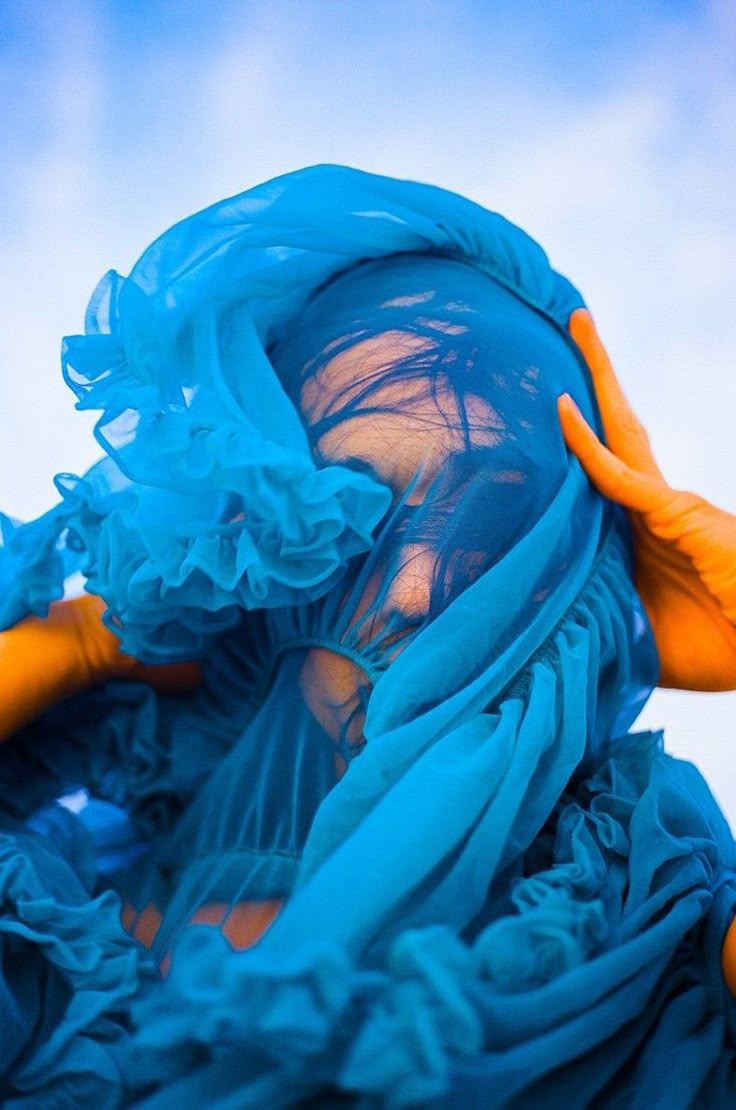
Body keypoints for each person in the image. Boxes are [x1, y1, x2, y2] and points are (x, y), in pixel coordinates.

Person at [0, 165, 735, 1107]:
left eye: (497, 523)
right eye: (363, 506)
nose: (422, 587)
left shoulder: (637, 908)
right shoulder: (64, 900)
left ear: (562, 559)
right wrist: (83, 645)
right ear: (262, 529)